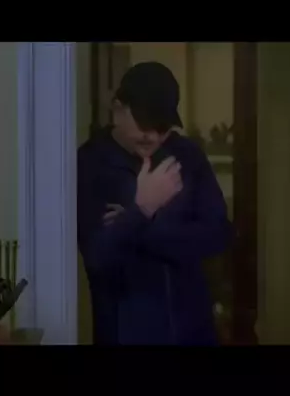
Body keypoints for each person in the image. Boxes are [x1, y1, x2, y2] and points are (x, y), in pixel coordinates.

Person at [77, 62, 232, 345]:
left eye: (162, 127)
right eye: (145, 123)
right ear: (118, 109)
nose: (154, 136)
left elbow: (217, 234)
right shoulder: (90, 163)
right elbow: (98, 258)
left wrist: (143, 229)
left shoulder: (187, 155)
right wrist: (143, 208)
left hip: (194, 332)